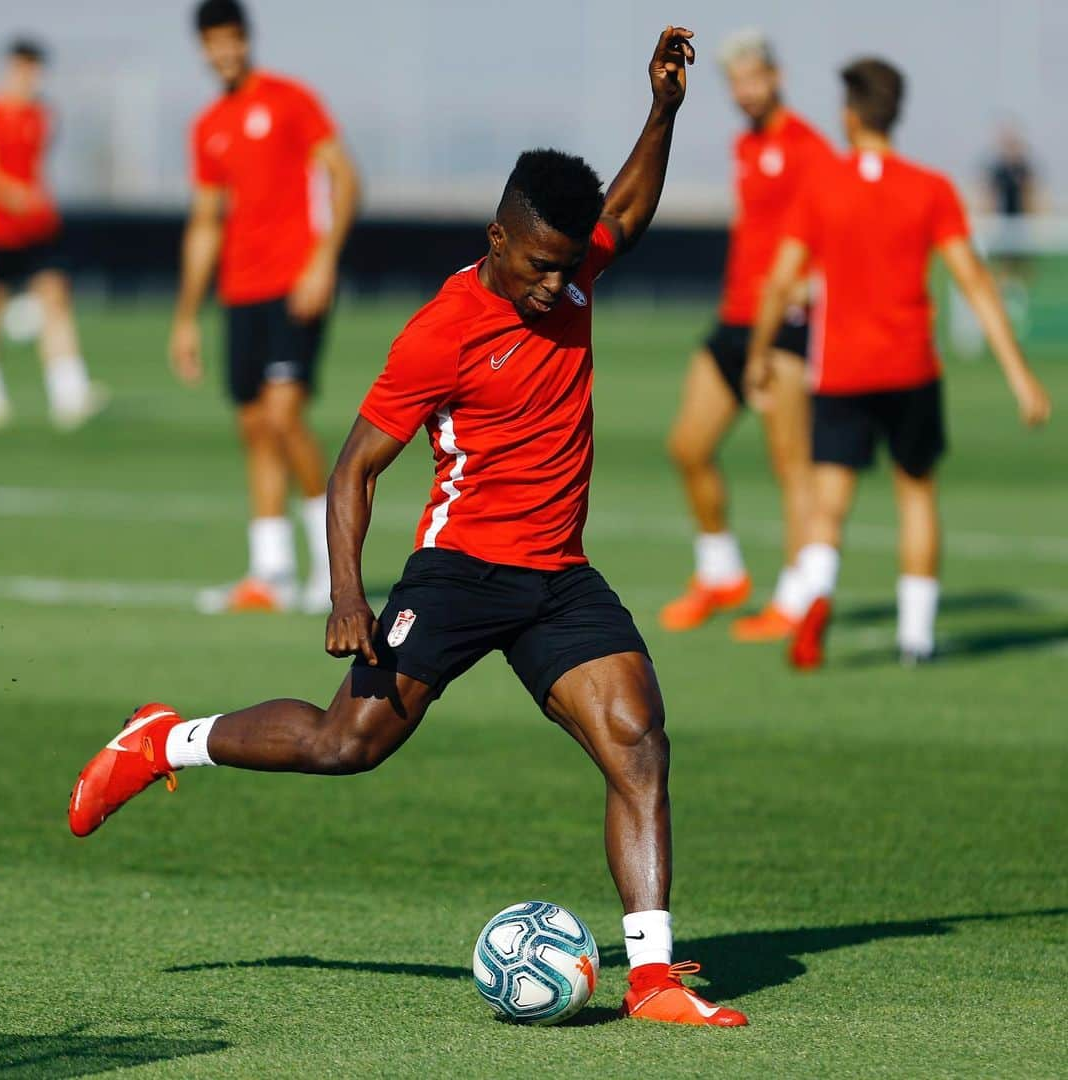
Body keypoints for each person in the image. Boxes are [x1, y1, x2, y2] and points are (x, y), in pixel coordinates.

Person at [70, 26, 750, 1029]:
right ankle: (169, 740)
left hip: (558, 576)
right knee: (347, 744)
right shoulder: (442, 331)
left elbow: (628, 214)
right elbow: (353, 471)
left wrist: (663, 110)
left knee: (638, 743)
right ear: (497, 238)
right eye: (538, 267)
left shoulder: (569, 270)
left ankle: (652, 976)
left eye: (570, 267)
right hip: (460, 571)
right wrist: (348, 595)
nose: (556, 285)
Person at [747, 58, 1052, 670]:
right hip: (911, 367)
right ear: (896, 112)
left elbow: (779, 281)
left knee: (829, 504)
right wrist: (1022, 378)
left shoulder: (822, 186)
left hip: (840, 371)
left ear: (850, 113)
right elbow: (974, 282)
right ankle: (917, 638)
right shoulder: (930, 188)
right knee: (917, 496)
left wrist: (757, 355)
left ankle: (819, 595)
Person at [170, 0, 361, 614]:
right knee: (253, 427)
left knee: (284, 417)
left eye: (231, 39)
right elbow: (204, 222)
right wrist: (185, 316)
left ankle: (333, 569)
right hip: (240, 293)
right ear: (202, 48)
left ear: (245, 40)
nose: (223, 51)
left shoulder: (290, 100)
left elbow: (343, 175)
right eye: (212, 42)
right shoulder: (207, 127)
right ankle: (271, 571)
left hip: (294, 286)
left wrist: (323, 257)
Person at [660, 28, 833, 640]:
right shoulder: (745, 145)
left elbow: (835, 233)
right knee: (687, 445)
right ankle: (720, 571)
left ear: (776, 77)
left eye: (754, 78)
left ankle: (794, 597)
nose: (745, 91)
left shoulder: (810, 148)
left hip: (784, 328)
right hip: (733, 321)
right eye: (735, 82)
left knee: (791, 466)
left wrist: (808, 289)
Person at [0, 38, 106, 431]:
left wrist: (34, 200)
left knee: (55, 296)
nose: (28, 77)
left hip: (38, 226)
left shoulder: (42, 115)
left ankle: (69, 392)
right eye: (21, 68)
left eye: (34, 69)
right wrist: (9, 193)